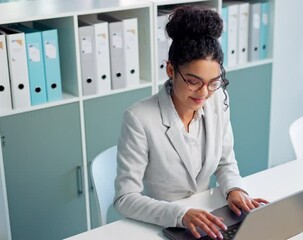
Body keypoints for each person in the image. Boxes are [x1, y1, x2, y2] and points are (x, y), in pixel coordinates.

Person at [113, 5, 268, 239]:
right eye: (193, 81)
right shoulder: (139, 118)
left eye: (214, 82)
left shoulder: (219, 100)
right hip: (164, 224)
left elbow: (225, 163)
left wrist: (234, 189)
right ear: (171, 70)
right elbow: (125, 198)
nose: (204, 93)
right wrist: (181, 214)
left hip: (209, 216)